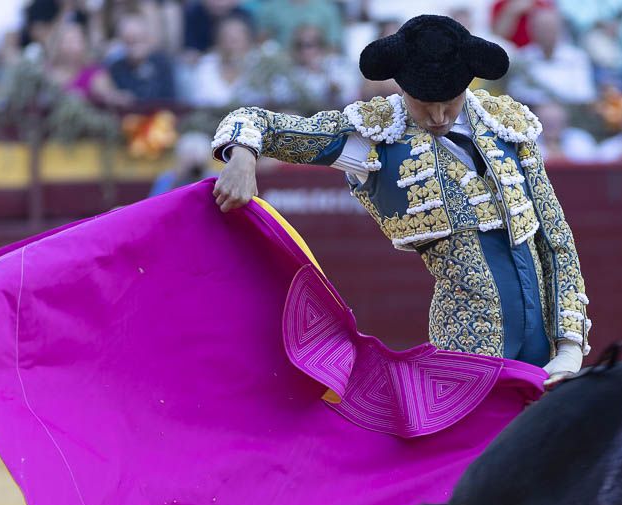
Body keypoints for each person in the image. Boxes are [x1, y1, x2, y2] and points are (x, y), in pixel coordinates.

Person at [211, 14, 591, 382]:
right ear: (402, 87)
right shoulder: (374, 134)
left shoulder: (506, 124)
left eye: (450, 101)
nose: (440, 115)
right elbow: (259, 122)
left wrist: (570, 343)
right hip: (468, 350)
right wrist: (242, 154)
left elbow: (553, 236)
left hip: (544, 348)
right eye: (425, 104)